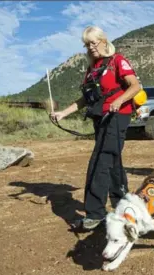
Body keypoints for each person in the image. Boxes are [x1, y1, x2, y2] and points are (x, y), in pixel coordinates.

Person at [50, 26, 141, 230]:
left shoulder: (118, 60)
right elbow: (85, 99)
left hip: (118, 116)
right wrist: (63, 113)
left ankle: (95, 214)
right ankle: (124, 206)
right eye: (87, 44)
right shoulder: (92, 69)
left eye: (94, 42)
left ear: (103, 40)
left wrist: (119, 100)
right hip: (101, 117)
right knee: (113, 162)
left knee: (100, 162)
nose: (91, 47)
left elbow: (135, 86)